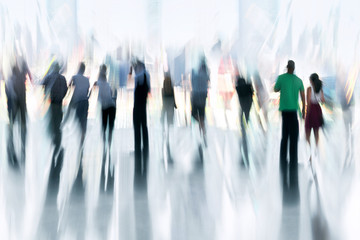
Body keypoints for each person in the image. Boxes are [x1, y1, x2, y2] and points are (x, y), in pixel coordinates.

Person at [274, 60, 305, 203]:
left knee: (284, 135)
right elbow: (303, 98)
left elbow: (275, 89)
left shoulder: (281, 78)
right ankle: (293, 159)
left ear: (287, 68)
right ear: (295, 68)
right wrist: (303, 110)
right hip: (293, 112)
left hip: (285, 111)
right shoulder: (299, 81)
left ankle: (282, 158)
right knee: (294, 136)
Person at [42, 62, 68, 181]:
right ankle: (58, 142)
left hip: (51, 103)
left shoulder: (49, 76)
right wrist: (61, 96)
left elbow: (41, 83)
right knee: (58, 123)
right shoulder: (62, 78)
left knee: (51, 122)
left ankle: (53, 142)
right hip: (59, 104)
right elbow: (66, 90)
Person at [133, 59, 150, 178]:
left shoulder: (139, 75)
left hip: (138, 104)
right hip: (143, 103)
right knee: (144, 125)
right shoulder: (146, 74)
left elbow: (136, 89)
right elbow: (148, 89)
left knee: (137, 126)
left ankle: (138, 147)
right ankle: (146, 146)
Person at [235, 67, 254, 166]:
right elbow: (252, 94)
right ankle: (245, 128)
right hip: (248, 105)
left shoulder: (238, 88)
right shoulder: (248, 86)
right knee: (245, 118)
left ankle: (244, 130)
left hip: (243, 106)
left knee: (242, 119)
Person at [68, 62, 90, 147]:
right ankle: (82, 139)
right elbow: (87, 91)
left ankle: (66, 122)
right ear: (84, 70)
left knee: (75, 117)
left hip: (77, 101)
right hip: (85, 101)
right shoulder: (87, 79)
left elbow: (69, 86)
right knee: (83, 121)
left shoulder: (74, 77)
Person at [305, 73, 325, 161]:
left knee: (307, 133)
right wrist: (318, 98)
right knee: (316, 132)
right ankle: (316, 149)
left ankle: (310, 152)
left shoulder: (309, 89)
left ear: (312, 81)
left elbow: (308, 102)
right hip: (318, 109)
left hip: (311, 110)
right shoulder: (320, 89)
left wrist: (306, 113)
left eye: (310, 80)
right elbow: (323, 101)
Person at [191, 57, 210, 147]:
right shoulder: (206, 74)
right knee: (201, 115)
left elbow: (193, 80)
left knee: (194, 114)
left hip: (196, 96)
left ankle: (201, 127)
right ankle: (204, 135)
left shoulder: (196, 74)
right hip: (203, 97)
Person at [161, 71, 177, 162]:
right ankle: (169, 134)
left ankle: (165, 133)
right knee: (170, 121)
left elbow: (163, 97)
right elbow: (173, 97)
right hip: (170, 104)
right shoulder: (171, 86)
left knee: (165, 121)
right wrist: (175, 104)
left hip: (166, 105)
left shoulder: (164, 87)